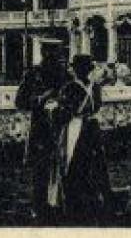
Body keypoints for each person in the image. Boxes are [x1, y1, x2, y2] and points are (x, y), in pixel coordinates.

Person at [48, 54, 116, 224]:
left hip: (75, 130)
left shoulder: (70, 88)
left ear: (75, 70)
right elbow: (97, 106)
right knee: (95, 165)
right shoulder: (95, 88)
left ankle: (74, 206)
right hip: (92, 128)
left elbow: (64, 113)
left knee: (72, 166)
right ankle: (98, 203)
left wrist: (53, 111)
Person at [18, 60, 64, 220]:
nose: (52, 56)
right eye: (48, 52)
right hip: (41, 128)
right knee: (41, 168)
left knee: (64, 166)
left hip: (63, 126)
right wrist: (41, 99)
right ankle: (39, 207)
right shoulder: (33, 75)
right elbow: (20, 102)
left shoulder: (65, 74)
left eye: (55, 53)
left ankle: (59, 204)